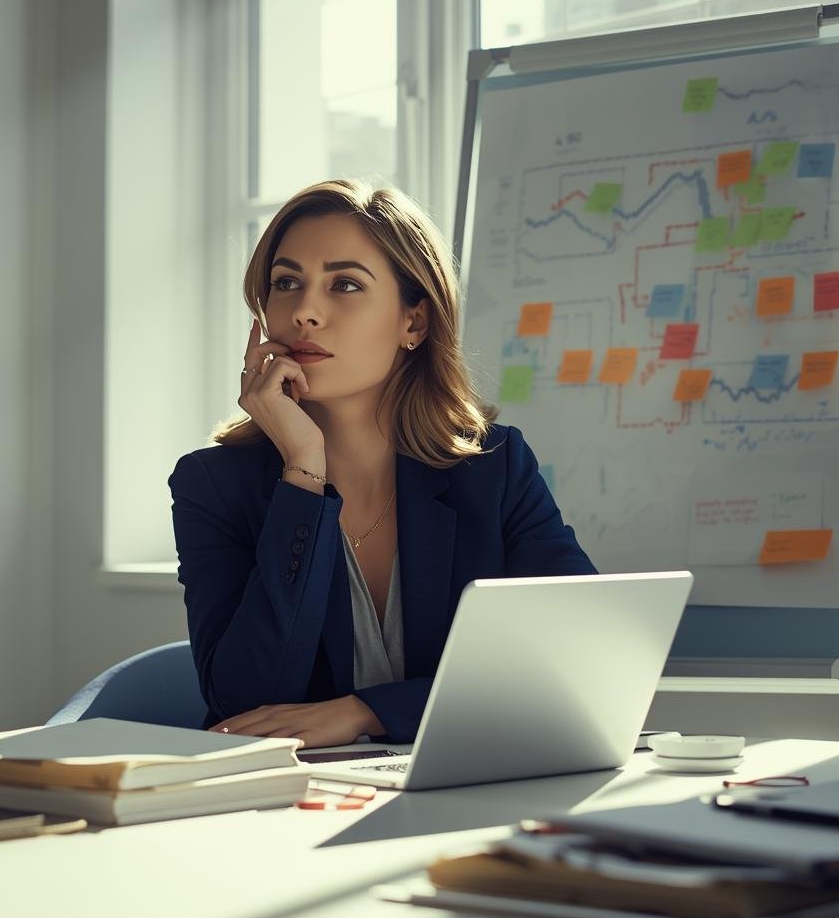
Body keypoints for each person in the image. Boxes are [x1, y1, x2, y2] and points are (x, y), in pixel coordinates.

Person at [169, 179, 595, 747]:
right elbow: (245, 702)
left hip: (464, 782)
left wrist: (368, 712)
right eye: (286, 283)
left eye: (344, 284)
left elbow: (579, 660)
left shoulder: (494, 469)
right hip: (284, 791)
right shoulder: (213, 485)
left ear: (413, 323)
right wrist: (303, 471)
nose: (305, 312)